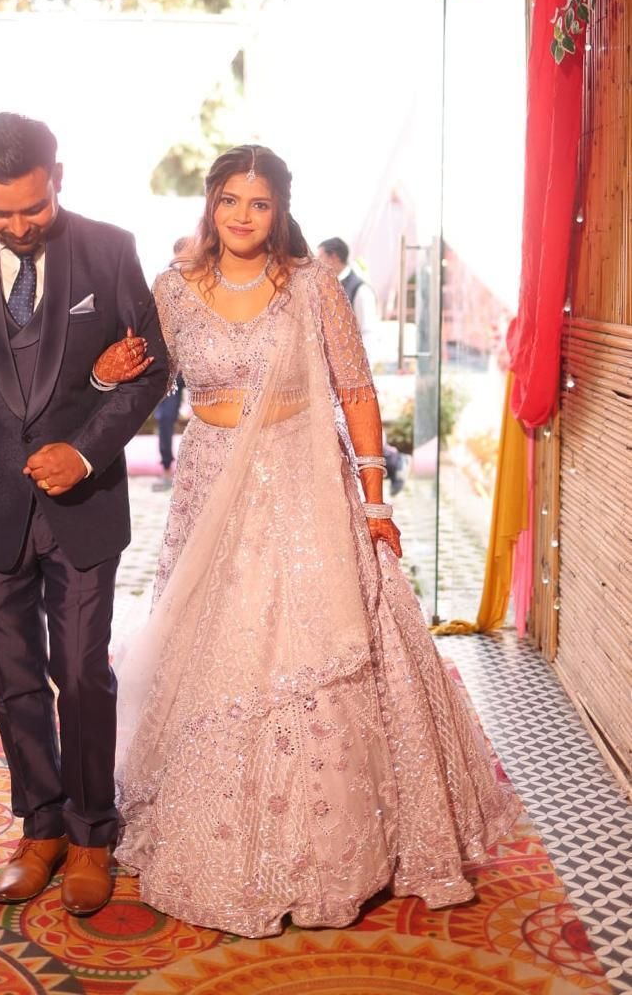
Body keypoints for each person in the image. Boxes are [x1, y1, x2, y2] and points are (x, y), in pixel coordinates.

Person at [107, 145, 518, 938]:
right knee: (216, 642)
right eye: (230, 200)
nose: (241, 216)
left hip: (302, 485)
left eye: (258, 203)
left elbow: (355, 391)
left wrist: (374, 500)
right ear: (210, 202)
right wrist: (103, 373)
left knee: (307, 642)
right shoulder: (173, 289)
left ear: (279, 210)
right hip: (211, 481)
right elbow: (148, 383)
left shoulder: (310, 286)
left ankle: (333, 853)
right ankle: (213, 833)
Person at [0, 112, 167, 917]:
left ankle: (91, 834)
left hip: (83, 502)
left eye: (33, 208)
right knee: (9, 672)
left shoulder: (109, 248)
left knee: (79, 671)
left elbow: (153, 370)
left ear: (59, 178)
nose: (18, 226)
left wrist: (84, 452)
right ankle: (40, 827)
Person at [318, 235, 405, 496]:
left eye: (320, 257)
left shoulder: (360, 289)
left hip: (352, 373)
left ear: (334, 257)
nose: (317, 263)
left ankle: (393, 461)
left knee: (356, 426)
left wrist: (355, 371)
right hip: (331, 371)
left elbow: (368, 333)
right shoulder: (327, 285)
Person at [151, 238, 190, 492]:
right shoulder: (163, 283)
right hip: (172, 366)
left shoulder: (210, 282)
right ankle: (167, 469)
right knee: (166, 418)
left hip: (203, 363)